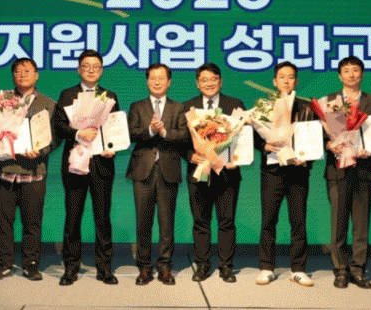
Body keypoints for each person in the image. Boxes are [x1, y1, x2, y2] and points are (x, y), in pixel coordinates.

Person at [0, 58, 56, 281]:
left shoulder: (48, 103)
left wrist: (41, 150)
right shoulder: (0, 101)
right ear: (13, 76)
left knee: (32, 222)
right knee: (2, 221)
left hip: (34, 171)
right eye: (17, 71)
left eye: (27, 71)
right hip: (4, 170)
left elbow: (55, 137)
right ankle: (3, 263)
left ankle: (30, 264)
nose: (22, 75)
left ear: (36, 75)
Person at [53, 49, 119, 286]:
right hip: (75, 163)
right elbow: (59, 125)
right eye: (86, 66)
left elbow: (114, 127)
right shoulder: (67, 94)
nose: (91, 70)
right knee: (73, 217)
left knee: (102, 218)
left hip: (102, 163)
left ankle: (105, 268)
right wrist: (78, 133)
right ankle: (71, 268)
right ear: (79, 69)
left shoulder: (109, 95)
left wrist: (112, 146)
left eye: (96, 66)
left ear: (101, 70)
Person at [323, 56, 371, 289]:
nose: (351, 74)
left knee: (361, 224)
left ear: (362, 74)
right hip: (337, 170)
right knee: (338, 223)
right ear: (340, 76)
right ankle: (340, 269)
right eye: (346, 71)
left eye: (356, 70)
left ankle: (358, 269)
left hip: (364, 169)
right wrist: (329, 145)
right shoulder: (329, 101)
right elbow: (320, 134)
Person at [182, 63, 245, 283]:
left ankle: (226, 266)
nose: (209, 83)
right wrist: (190, 155)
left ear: (221, 81)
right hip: (199, 171)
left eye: (213, 79)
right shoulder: (188, 107)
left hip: (227, 173)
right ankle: (202, 265)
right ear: (197, 83)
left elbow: (243, 137)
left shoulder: (235, 104)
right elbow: (181, 140)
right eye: (204, 80)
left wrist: (237, 159)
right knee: (201, 221)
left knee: (227, 221)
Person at [255, 61, 316, 287]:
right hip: (273, 169)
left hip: (298, 171)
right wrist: (264, 146)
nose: (286, 80)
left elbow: (314, 138)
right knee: (268, 220)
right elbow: (254, 136)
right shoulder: (264, 106)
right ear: (274, 81)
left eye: (290, 77)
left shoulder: (307, 107)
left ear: (296, 81)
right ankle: (266, 267)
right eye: (282, 76)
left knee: (298, 221)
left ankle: (298, 269)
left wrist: (307, 157)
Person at [127, 63, 188, 285]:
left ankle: (165, 266)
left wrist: (164, 132)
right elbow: (130, 134)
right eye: (153, 78)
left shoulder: (178, 107)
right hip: (142, 170)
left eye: (161, 78)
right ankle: (144, 267)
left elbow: (184, 136)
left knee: (166, 223)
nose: (157, 82)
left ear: (169, 82)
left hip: (168, 170)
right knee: (143, 221)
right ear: (147, 81)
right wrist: (150, 130)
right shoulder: (137, 106)